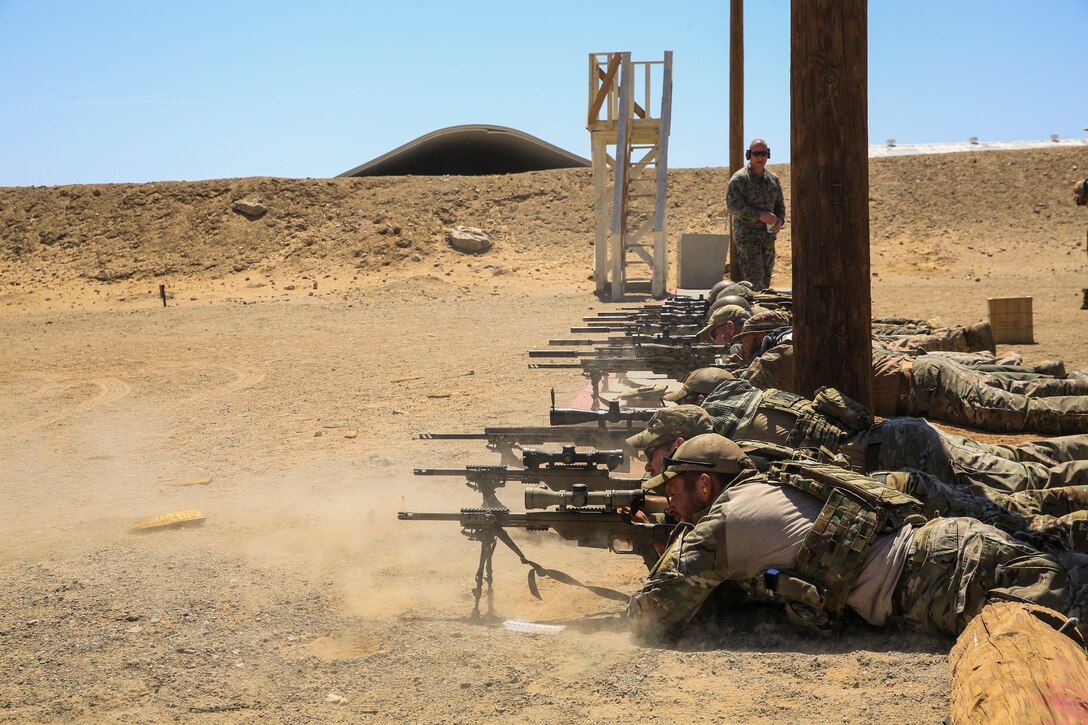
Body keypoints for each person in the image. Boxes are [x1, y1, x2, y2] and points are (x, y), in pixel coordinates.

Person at [627, 434, 1088, 642]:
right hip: (956, 552)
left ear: (705, 485)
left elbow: (654, 614)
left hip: (954, 581)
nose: (669, 505)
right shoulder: (772, 484)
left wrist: (659, 554)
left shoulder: (722, 523)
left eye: (672, 491)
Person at [697, 370, 1088, 493]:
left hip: (901, 453)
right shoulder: (763, 399)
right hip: (901, 435)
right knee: (1019, 459)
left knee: (1024, 480)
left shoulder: (736, 440)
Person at [726, 139, 785, 290]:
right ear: (749, 155)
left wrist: (779, 220)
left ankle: (762, 310)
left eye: (764, 154)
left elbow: (779, 205)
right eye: (756, 154)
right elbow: (733, 206)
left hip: (768, 236)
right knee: (755, 281)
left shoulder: (773, 180)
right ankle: (755, 311)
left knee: (766, 281)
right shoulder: (740, 180)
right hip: (747, 236)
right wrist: (758, 215)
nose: (760, 157)